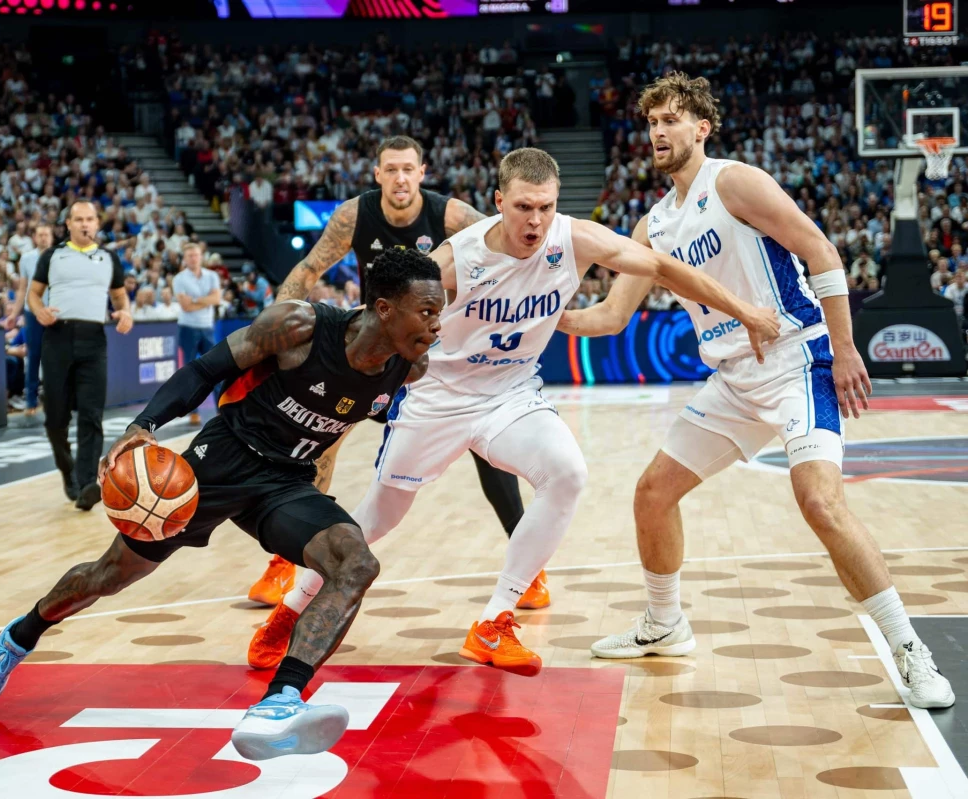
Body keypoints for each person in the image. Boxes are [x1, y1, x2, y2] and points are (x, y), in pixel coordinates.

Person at [247, 147, 781, 676]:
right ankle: (289, 611)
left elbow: (663, 265)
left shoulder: (576, 240)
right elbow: (379, 326)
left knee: (568, 473)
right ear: (500, 201)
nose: (535, 220)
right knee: (376, 520)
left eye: (546, 207)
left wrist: (746, 311)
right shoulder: (455, 260)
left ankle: (494, 622)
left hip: (510, 395)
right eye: (524, 207)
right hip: (439, 397)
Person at [0, 248, 445, 761]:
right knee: (109, 575)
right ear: (385, 308)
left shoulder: (409, 367)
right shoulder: (299, 325)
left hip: (286, 483)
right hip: (222, 462)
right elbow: (204, 370)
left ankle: (280, 701)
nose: (437, 324)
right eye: (427, 311)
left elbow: (349, 408)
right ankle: (18, 637)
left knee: (356, 563)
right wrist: (143, 426)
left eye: (440, 311)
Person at [566, 73, 954, 709]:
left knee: (819, 503)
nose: (659, 132)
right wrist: (532, 314)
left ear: (701, 127)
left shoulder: (734, 182)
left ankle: (909, 650)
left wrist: (847, 347)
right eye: (652, 122)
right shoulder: (651, 225)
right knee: (651, 493)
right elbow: (609, 318)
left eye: (671, 120)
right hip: (732, 380)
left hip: (797, 358)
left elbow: (821, 251)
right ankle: (665, 622)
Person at [245, 134, 541, 613]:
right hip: (374, 349)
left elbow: (506, 252)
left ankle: (529, 571)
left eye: (409, 169)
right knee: (317, 440)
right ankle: (284, 562)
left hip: (438, 352)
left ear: (422, 172)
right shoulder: (354, 215)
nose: (400, 177)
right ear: (378, 174)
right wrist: (271, 329)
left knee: (484, 447)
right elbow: (308, 269)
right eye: (391, 169)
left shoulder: (451, 215)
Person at [28, 200, 133, 510]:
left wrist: (125, 312)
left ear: (97, 224)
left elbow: (119, 296)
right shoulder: (53, 256)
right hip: (57, 337)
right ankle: (68, 470)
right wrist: (39, 310)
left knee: (91, 414)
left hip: (93, 339)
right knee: (55, 418)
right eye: (79, 219)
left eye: (90, 219)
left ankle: (88, 484)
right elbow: (33, 294)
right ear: (69, 224)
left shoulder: (109, 258)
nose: (85, 224)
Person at [172, 241, 223, 426]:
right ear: (185, 259)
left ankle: (220, 410)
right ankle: (193, 411)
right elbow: (185, 306)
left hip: (207, 327)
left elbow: (216, 299)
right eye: (189, 256)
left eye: (196, 255)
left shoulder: (212, 276)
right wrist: (205, 300)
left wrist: (195, 300)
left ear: (201, 256)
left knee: (217, 370)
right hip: (188, 328)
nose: (193, 258)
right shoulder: (179, 279)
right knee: (190, 372)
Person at [7, 223, 54, 417]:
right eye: (40, 234)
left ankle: (55, 399)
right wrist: (13, 314)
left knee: (54, 357)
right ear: (34, 238)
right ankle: (30, 400)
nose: (43, 238)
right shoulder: (26, 258)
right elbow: (22, 289)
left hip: (53, 312)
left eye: (46, 234)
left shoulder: (59, 257)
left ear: (51, 237)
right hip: (32, 312)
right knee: (33, 355)